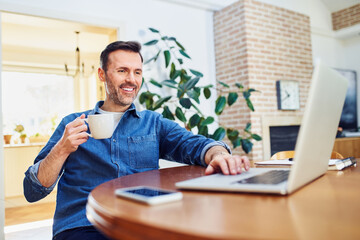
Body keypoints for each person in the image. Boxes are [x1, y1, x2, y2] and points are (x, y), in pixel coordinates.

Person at [23, 41, 250, 240]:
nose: (131, 79)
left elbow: (194, 144)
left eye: (137, 72)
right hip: (83, 224)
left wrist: (219, 155)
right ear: (102, 75)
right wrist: (62, 149)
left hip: (143, 220)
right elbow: (33, 191)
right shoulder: (72, 125)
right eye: (122, 70)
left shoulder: (153, 123)